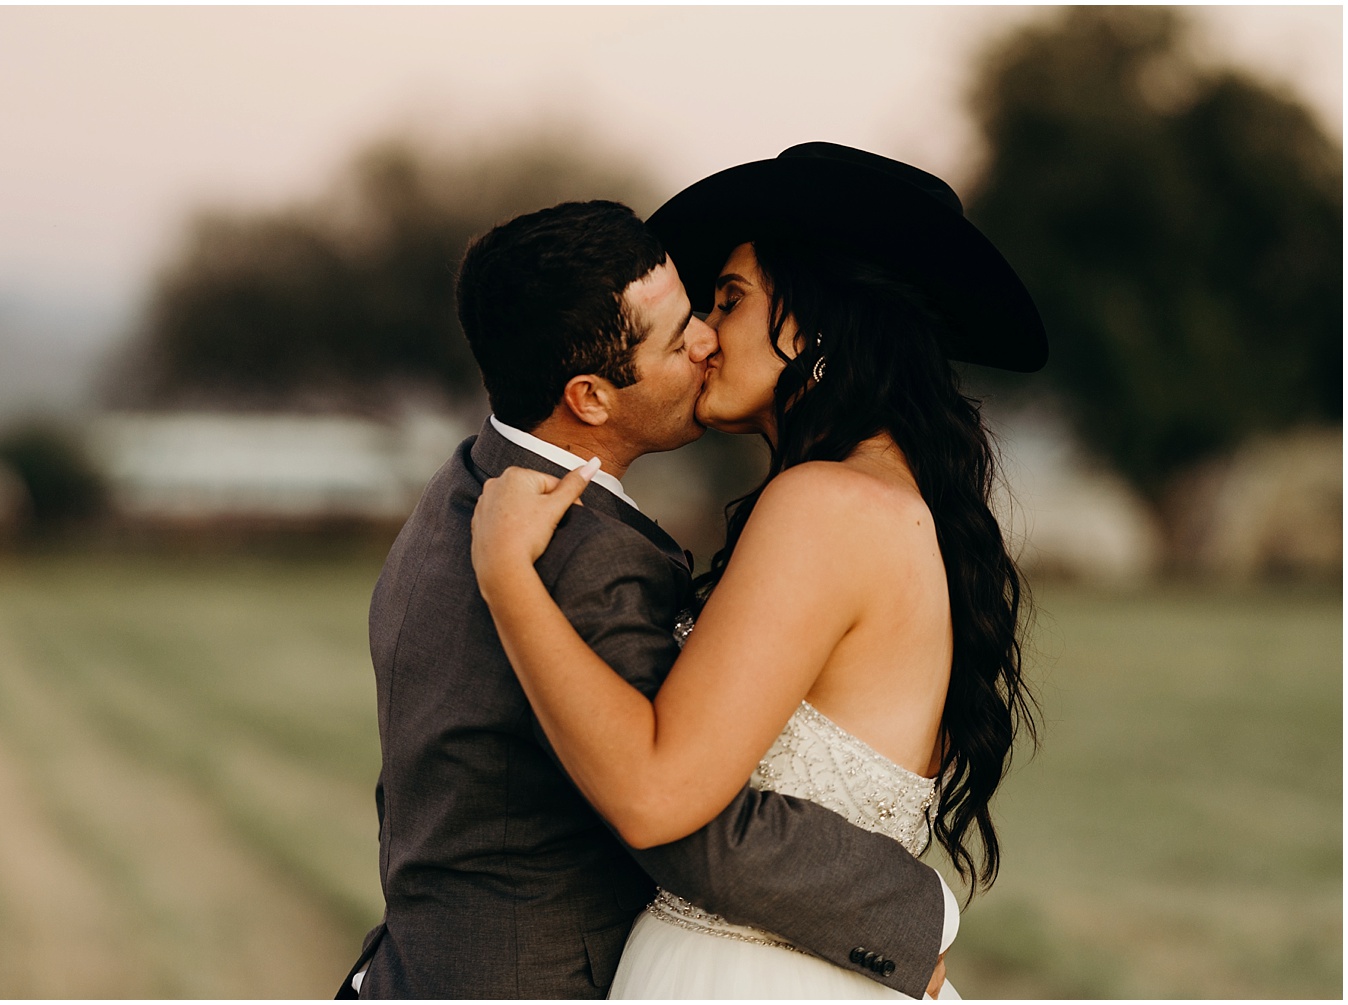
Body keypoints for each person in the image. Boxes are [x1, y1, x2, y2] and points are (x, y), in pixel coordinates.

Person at [338, 198, 957, 999]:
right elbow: (674, 813)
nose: (705, 339)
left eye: (716, 304)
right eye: (686, 329)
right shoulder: (577, 552)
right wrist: (910, 910)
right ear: (590, 397)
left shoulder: (460, 487)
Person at [468, 143, 1046, 998]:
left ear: (814, 323)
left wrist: (506, 575)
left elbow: (655, 793)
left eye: (730, 299)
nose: (704, 333)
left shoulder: (824, 504)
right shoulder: (892, 496)